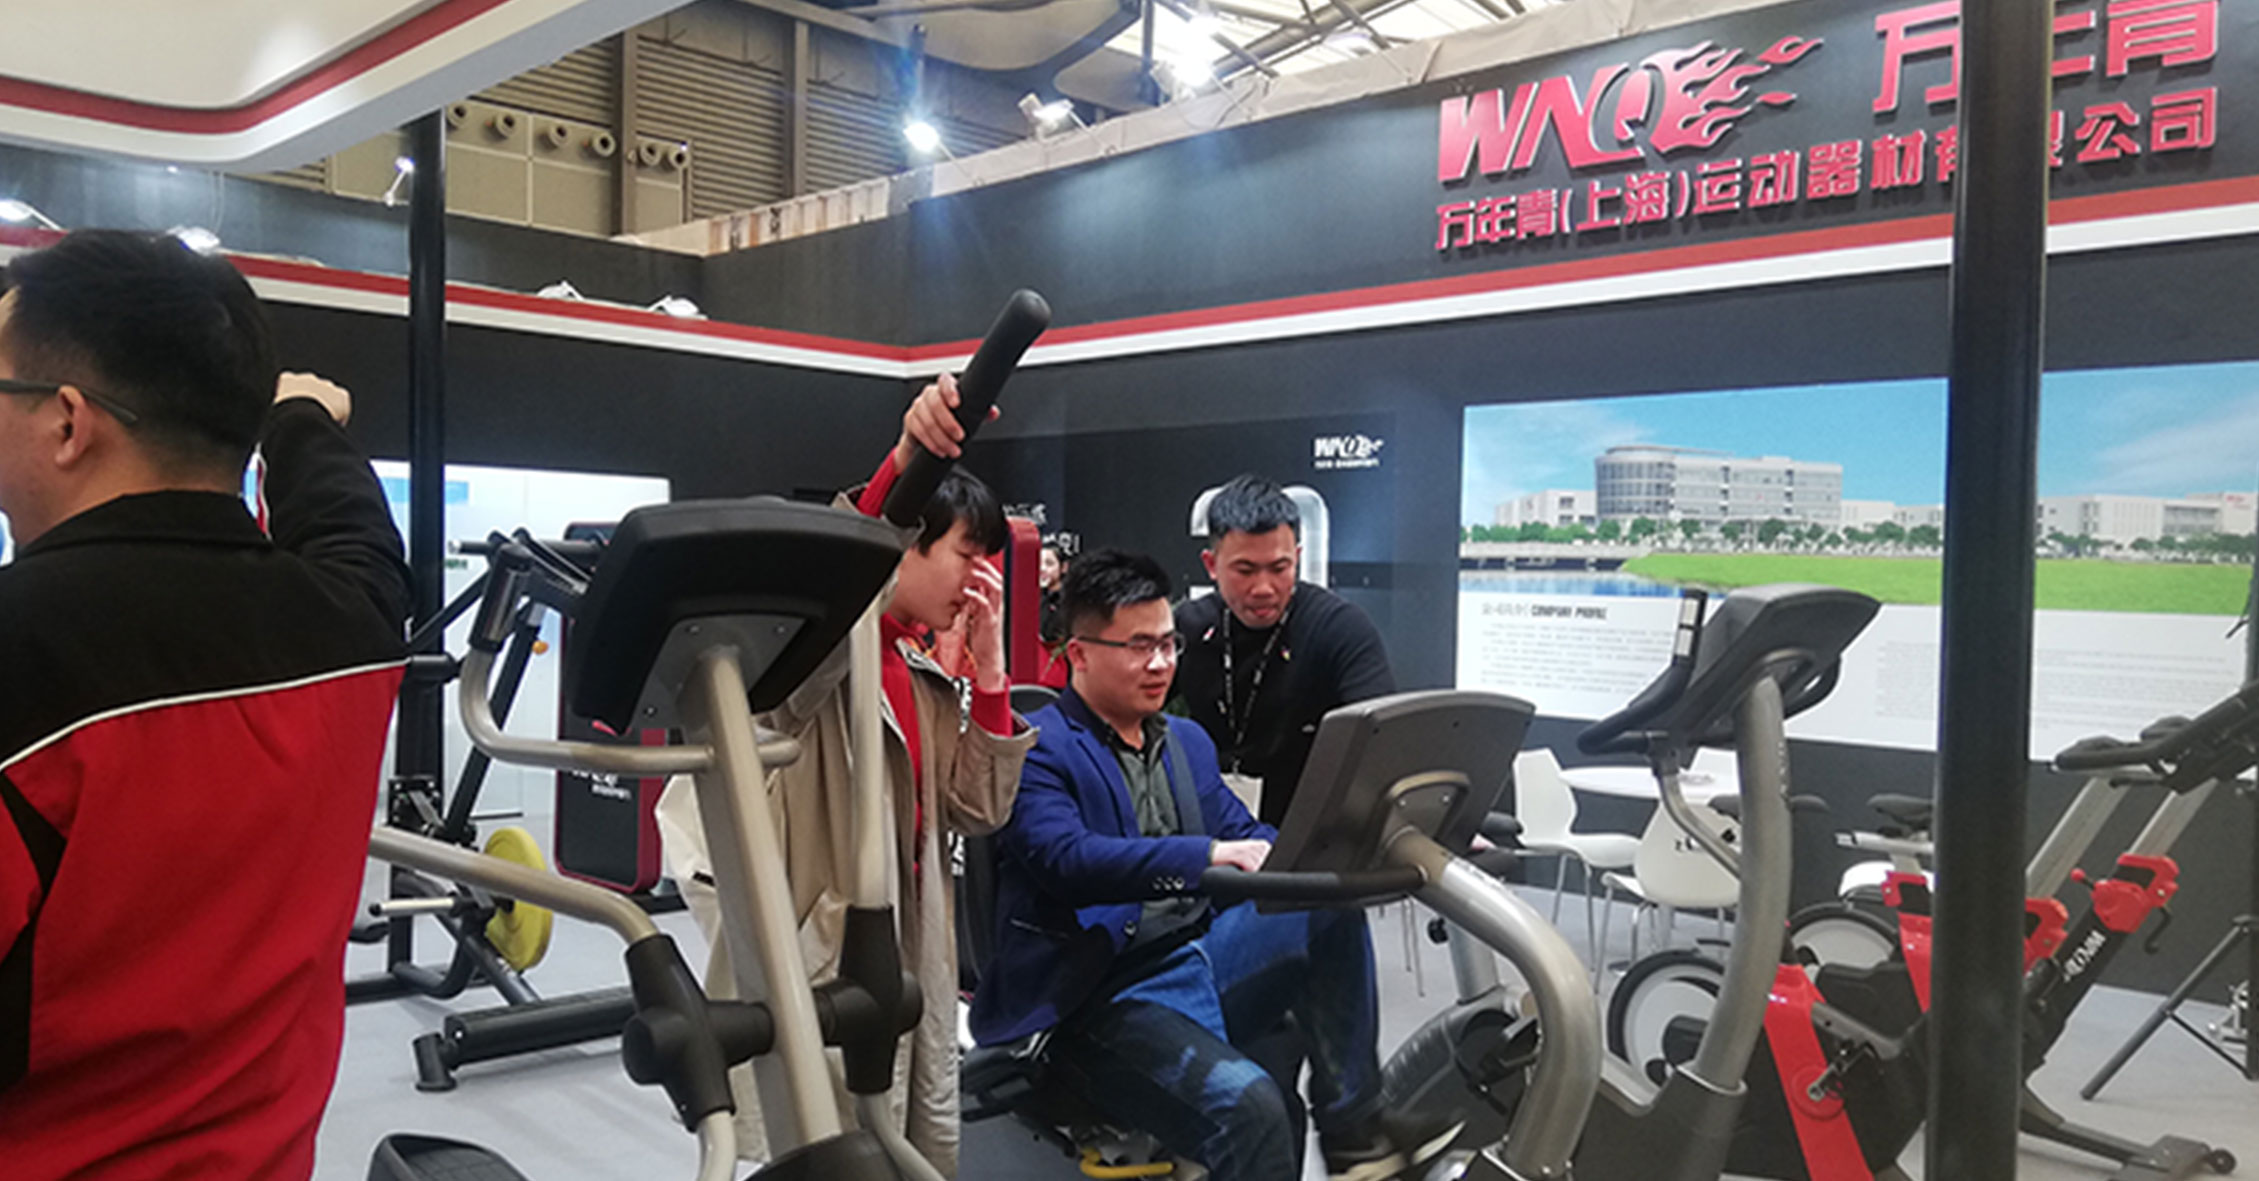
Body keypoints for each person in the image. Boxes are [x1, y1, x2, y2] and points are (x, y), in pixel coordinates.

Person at [0, 231, 409, 1178]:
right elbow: (355, 533)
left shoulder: (17, 656)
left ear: (67, 422)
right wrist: (301, 421)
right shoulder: (350, 623)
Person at [971, 549, 1454, 1181]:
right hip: (1098, 996)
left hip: (1197, 955)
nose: (1160, 664)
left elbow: (1245, 834)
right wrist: (1203, 856)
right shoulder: (1037, 747)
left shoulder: (1185, 742)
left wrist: (1362, 840)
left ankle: (1355, 1132)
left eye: (1167, 644)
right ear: (1079, 654)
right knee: (1252, 1109)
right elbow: (1067, 858)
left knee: (1326, 904)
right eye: (1139, 647)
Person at [654, 374, 1036, 1175]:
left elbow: (979, 807)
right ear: (906, 546)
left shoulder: (921, 675)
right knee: (825, 1148)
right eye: (967, 556)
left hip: (910, 943)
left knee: (911, 1140)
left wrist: (991, 672)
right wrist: (906, 462)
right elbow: (843, 583)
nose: (979, 580)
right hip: (824, 949)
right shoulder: (819, 653)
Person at [1175, 474, 1395, 827]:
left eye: (1280, 568)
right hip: (1211, 827)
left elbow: (1383, 742)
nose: (1263, 588)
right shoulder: (1188, 627)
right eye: (1245, 570)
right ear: (1211, 565)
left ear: (1297, 558)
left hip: (1310, 829)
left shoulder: (1339, 628)